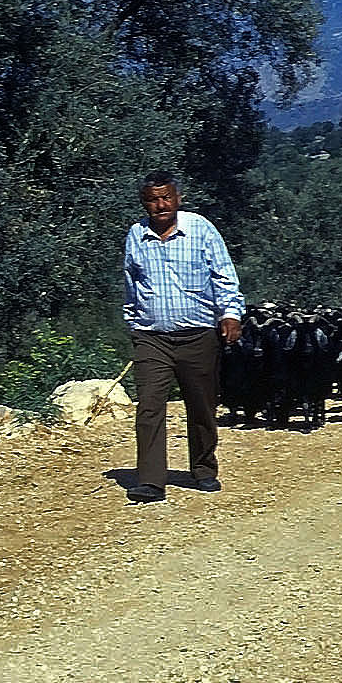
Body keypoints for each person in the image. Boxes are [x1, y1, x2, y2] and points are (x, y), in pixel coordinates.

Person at [122, 170, 245, 503]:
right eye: (152, 199)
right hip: (152, 337)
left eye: (166, 197)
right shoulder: (136, 236)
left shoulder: (201, 229)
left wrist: (230, 314)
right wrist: (133, 323)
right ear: (143, 202)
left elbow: (223, 275)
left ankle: (203, 469)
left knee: (201, 406)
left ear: (178, 198)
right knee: (148, 406)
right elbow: (131, 285)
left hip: (198, 334)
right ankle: (150, 480)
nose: (160, 205)